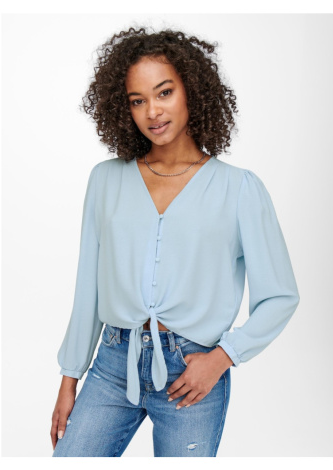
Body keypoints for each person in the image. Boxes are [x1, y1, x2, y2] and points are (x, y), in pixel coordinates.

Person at [51, 27, 300, 457]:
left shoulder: (239, 189)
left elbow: (280, 296)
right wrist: (69, 379)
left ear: (191, 91)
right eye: (137, 100)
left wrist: (222, 358)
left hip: (192, 371)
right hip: (112, 365)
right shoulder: (106, 180)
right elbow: (87, 289)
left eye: (164, 92)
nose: (152, 111)